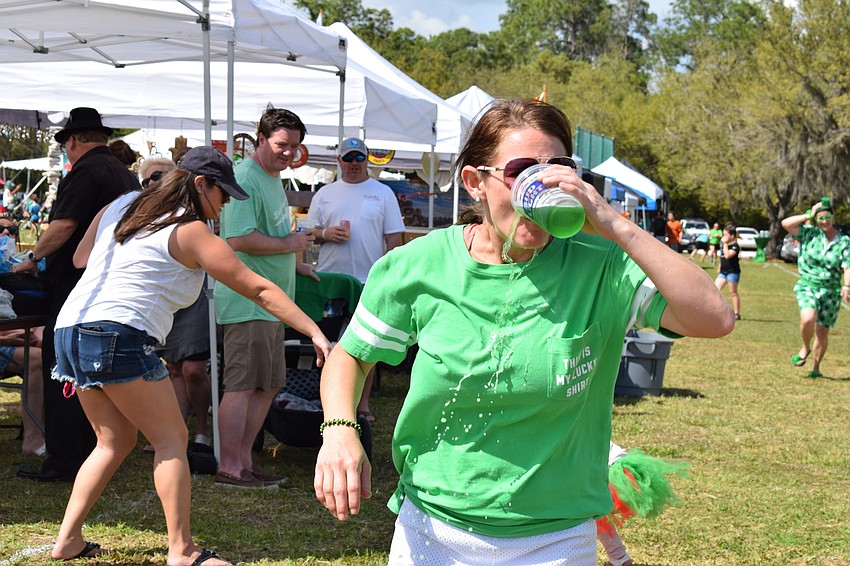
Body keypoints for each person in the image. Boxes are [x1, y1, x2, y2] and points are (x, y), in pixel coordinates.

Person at [314, 99, 734, 564]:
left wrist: (615, 225)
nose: (545, 185)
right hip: (432, 528)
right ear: (475, 182)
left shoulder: (601, 269)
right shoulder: (420, 266)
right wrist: (338, 430)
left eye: (559, 169)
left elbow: (713, 318)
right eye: (521, 171)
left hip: (554, 537)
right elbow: (350, 355)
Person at [48, 146, 331, 563]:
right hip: (117, 332)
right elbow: (257, 288)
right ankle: (181, 552)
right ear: (201, 185)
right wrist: (315, 332)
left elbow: (80, 258)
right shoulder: (191, 229)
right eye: (222, 196)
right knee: (171, 440)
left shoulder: (121, 205)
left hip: (69, 329)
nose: (223, 207)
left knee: (113, 441)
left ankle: (68, 540)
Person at [14, 107, 139, 483]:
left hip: (78, 288)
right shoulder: (123, 173)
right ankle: (94, 455)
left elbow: (65, 225)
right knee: (93, 376)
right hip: (113, 286)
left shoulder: (87, 171)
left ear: (72, 141)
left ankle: (65, 461)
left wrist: (32, 257)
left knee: (64, 371)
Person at [214, 105, 319, 488]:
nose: (288, 152)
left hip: (272, 303)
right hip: (247, 301)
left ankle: (244, 462)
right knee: (242, 385)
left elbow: (268, 238)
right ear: (261, 139)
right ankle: (230, 467)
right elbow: (239, 239)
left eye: (294, 146)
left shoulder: (272, 178)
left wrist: (297, 264)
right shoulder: (245, 176)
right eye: (281, 144)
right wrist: (289, 244)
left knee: (269, 385)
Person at [306, 137, 405, 421]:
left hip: (368, 282)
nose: (353, 164)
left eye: (358, 158)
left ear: (367, 160)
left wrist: (392, 277)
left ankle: (362, 405)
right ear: (339, 161)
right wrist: (326, 234)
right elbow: (307, 234)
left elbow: (394, 240)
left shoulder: (383, 192)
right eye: (348, 158)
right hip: (331, 282)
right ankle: (328, 401)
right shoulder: (325, 193)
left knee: (366, 344)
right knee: (327, 343)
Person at [142, 157, 213, 448]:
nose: (153, 182)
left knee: (193, 369)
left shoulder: (193, 213)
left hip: (194, 293)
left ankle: (204, 429)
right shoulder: (144, 212)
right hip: (166, 296)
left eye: (159, 176)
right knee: (173, 368)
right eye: (147, 179)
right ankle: (177, 431)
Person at [781, 199, 850, 378]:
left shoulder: (844, 241)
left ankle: (816, 367)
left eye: (827, 217)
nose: (824, 221)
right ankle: (805, 348)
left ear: (833, 218)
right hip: (808, 286)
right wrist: (808, 215)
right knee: (808, 318)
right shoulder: (808, 233)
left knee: (822, 330)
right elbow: (785, 223)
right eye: (820, 218)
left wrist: (846, 286)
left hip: (831, 291)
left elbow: (847, 265)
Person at [596, 442, 689, 566]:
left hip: (618, 476)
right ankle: (619, 558)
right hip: (628, 469)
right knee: (595, 514)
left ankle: (617, 557)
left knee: (589, 512)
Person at [714, 224, 742, 320]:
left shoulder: (735, 246)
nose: (723, 237)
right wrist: (719, 267)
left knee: (733, 292)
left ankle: (736, 313)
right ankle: (716, 310)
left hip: (732, 272)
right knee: (715, 290)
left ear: (732, 236)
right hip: (723, 272)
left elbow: (727, 256)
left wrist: (725, 244)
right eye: (723, 234)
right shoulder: (724, 245)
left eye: (726, 235)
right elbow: (722, 258)